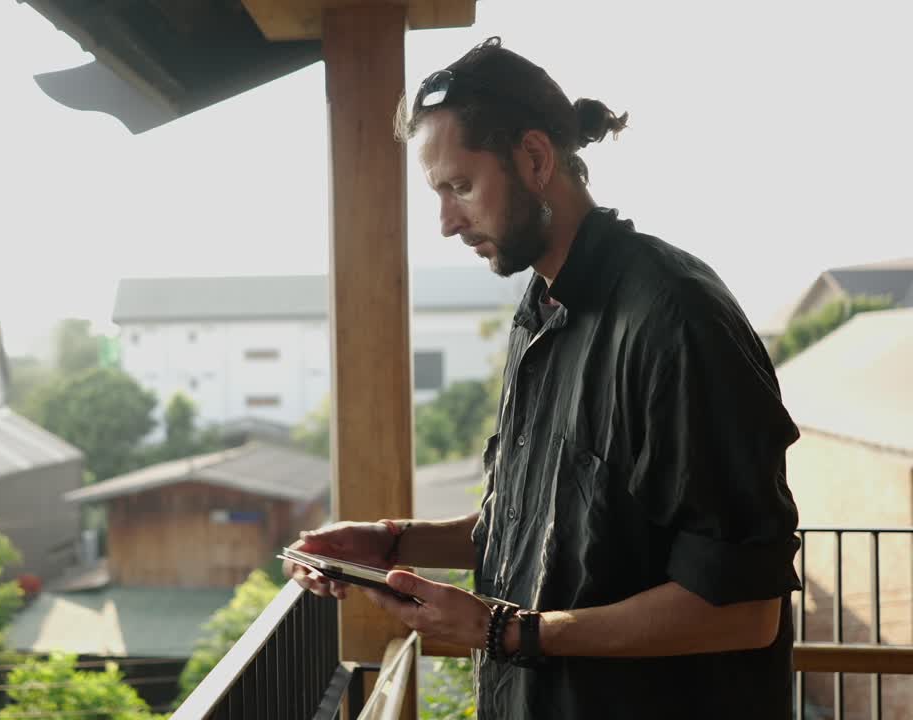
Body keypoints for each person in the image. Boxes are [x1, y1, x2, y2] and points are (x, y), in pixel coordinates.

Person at [285, 37, 802, 719]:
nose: (444, 223)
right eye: (438, 194)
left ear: (533, 159)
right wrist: (390, 542)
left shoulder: (675, 319)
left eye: (460, 187)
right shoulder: (541, 306)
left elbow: (742, 610)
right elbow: (531, 525)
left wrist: (503, 629)